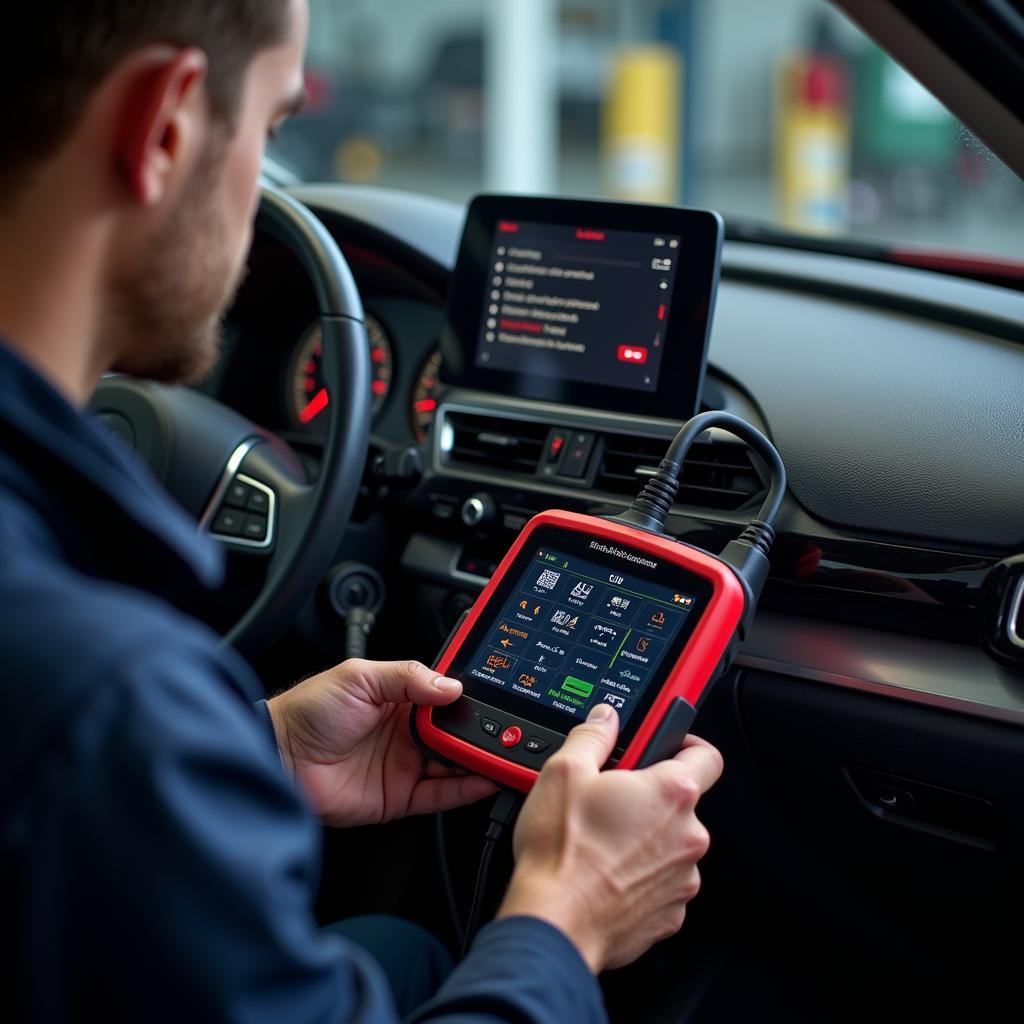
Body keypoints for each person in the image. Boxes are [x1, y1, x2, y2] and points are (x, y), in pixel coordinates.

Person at [0, 2, 723, 1021]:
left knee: (399, 949)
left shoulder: (108, 710)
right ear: (161, 126)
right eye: (272, 128)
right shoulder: (108, 700)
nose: (259, 186)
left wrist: (254, 748)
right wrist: (566, 920)